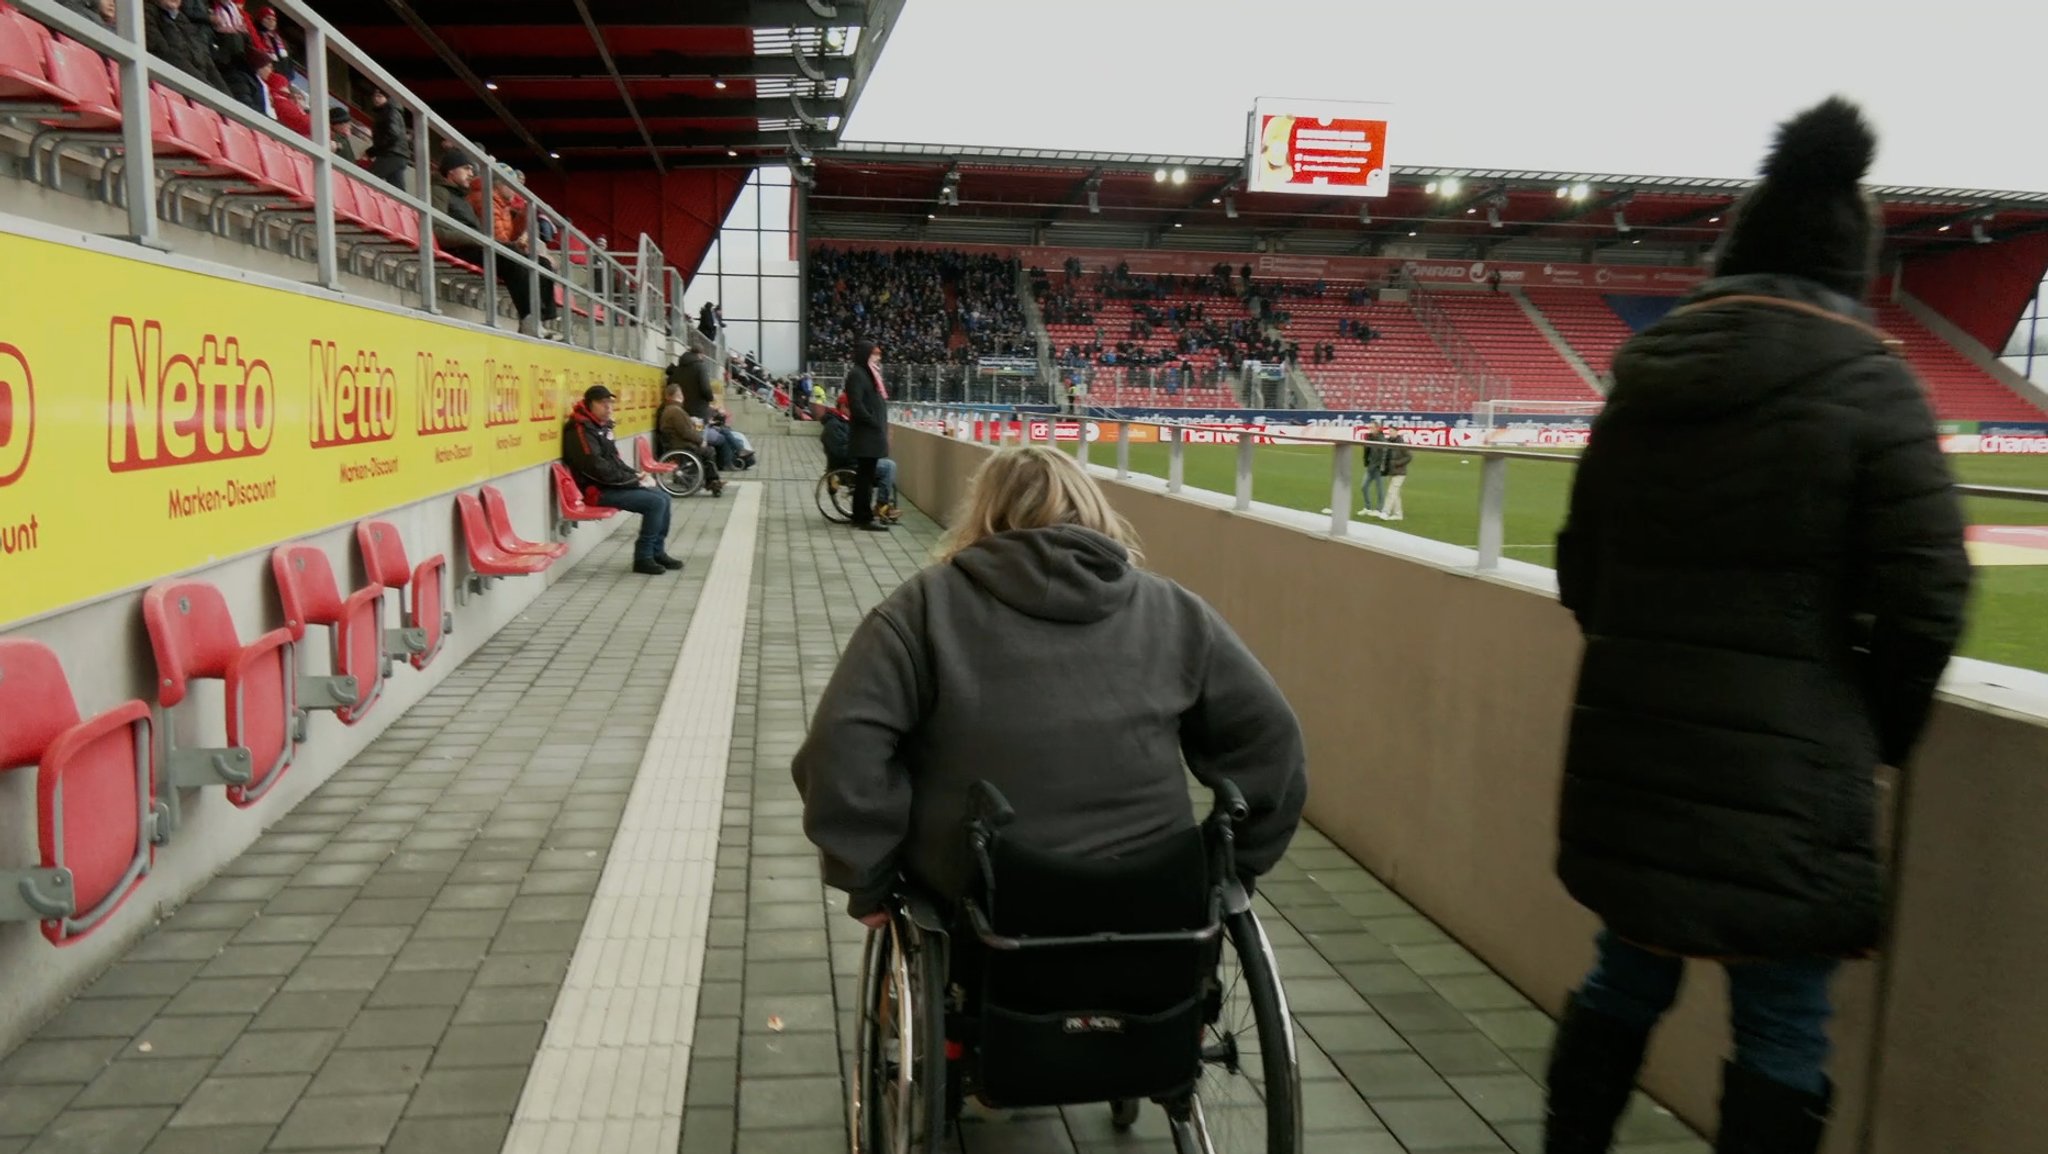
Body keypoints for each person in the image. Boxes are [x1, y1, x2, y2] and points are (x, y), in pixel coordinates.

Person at [1543, 97, 1971, 1154]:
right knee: (1782, 1018)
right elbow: (1928, 596)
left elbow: (1577, 563)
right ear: (1850, 268)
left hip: (1636, 749)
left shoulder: (1642, 381)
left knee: (1623, 972)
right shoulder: (1874, 384)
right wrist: (1864, 731)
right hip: (1790, 779)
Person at [792, 445, 1309, 926]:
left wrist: (865, 878)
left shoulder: (924, 609)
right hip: (1156, 893)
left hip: (982, 890)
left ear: (982, 512)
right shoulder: (1175, 612)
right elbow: (1269, 738)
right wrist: (1235, 864)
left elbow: (843, 746)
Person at [562, 385, 683, 576]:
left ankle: (657, 552)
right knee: (655, 502)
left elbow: (614, 461)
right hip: (595, 491)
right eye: (603, 403)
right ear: (589, 404)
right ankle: (643, 557)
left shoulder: (600, 427)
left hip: (610, 485)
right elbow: (596, 468)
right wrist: (631, 481)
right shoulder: (580, 429)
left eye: (610, 403)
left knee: (663, 497)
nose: (608, 408)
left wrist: (635, 475)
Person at [842, 341, 891, 532]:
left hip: (872, 435)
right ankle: (863, 517)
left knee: (867, 477)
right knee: (865, 478)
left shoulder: (869, 374)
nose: (879, 357)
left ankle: (862, 515)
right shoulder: (857, 374)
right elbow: (857, 405)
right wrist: (873, 422)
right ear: (865, 354)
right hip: (866, 436)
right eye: (875, 353)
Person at [655, 383, 724, 497]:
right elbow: (686, 432)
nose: (682, 395)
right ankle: (712, 481)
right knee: (709, 451)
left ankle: (712, 481)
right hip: (682, 446)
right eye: (680, 393)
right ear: (677, 395)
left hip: (678, 444)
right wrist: (700, 440)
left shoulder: (672, 409)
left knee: (708, 451)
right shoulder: (675, 411)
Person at [365, 88, 409, 189]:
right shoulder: (389, 111)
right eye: (374, 96)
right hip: (398, 155)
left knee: (366, 179)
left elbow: (392, 134)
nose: (376, 99)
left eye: (380, 96)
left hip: (391, 154)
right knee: (397, 190)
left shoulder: (390, 111)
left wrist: (373, 151)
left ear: (387, 98)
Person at [668, 348, 716, 421]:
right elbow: (706, 389)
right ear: (700, 354)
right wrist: (711, 398)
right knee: (700, 431)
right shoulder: (701, 367)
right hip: (699, 412)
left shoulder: (677, 369)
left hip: (682, 412)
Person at [1379, 433, 1411, 522]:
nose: (1391, 432)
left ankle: (1386, 512)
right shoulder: (1389, 443)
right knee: (1395, 494)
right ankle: (1398, 514)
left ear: (1397, 432)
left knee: (1391, 492)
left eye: (1392, 430)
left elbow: (1409, 456)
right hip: (1391, 471)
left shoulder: (1401, 444)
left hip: (1400, 472)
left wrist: (1397, 463)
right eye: (1390, 430)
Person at [1359, 424, 1387, 517]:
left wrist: (1382, 465)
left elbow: (1384, 453)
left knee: (1380, 490)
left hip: (1379, 468)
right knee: (1364, 486)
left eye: (1372, 428)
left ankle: (1379, 509)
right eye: (1369, 428)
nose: (1370, 429)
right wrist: (1366, 461)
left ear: (1377, 428)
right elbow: (1366, 451)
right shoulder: (1369, 438)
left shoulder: (1382, 439)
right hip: (1370, 466)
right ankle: (1367, 507)